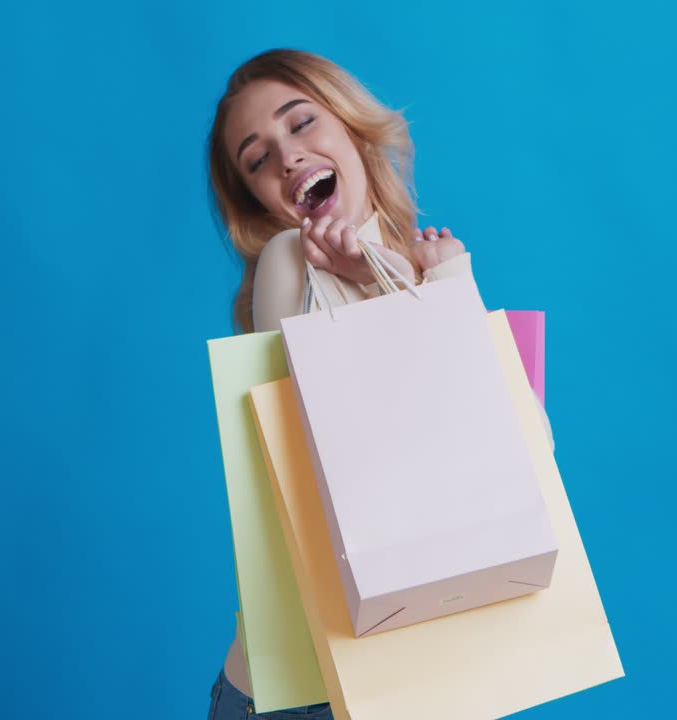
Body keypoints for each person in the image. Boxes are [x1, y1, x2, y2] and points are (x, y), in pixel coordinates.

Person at [204, 48, 551, 719]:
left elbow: (530, 454)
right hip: (307, 692)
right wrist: (380, 279)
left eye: (301, 123)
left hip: (418, 681)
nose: (287, 157)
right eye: (257, 158)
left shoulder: (419, 269)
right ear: (257, 197)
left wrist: (443, 282)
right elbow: (312, 429)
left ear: (352, 128)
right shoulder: (288, 262)